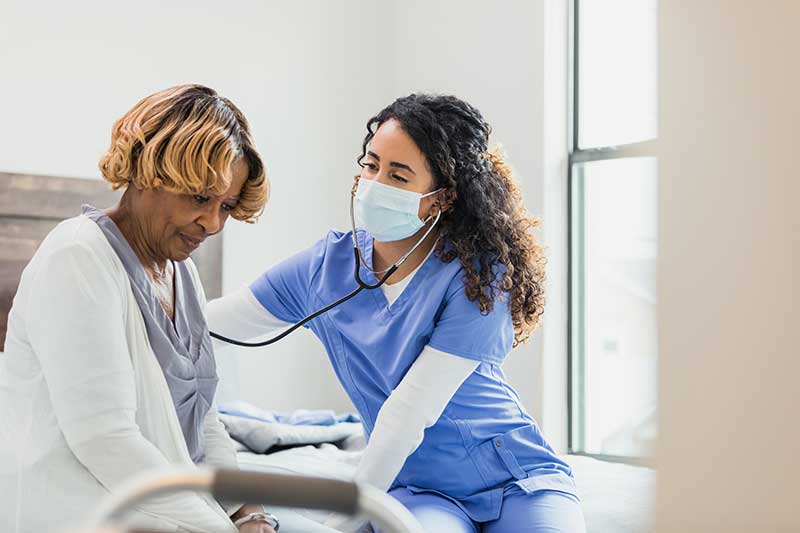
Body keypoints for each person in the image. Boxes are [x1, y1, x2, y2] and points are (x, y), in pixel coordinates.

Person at [208, 94, 586, 532]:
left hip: (516, 479)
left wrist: (342, 522)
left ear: (440, 199)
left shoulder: (479, 275)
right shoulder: (323, 268)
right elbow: (204, 323)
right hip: (420, 490)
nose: (374, 182)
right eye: (371, 165)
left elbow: (407, 415)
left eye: (398, 175)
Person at [0, 84, 280, 532]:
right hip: (83, 516)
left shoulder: (180, 270)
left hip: (170, 511)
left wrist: (247, 513)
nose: (213, 224)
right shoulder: (78, 256)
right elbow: (104, 439)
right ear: (149, 173)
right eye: (200, 198)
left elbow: (203, 420)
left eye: (226, 206)